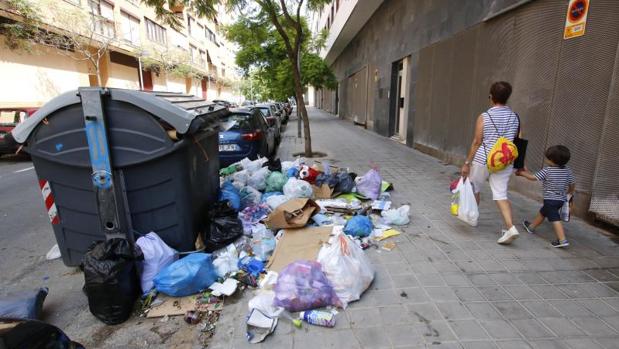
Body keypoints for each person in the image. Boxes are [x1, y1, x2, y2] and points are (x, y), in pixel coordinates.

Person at [461, 81, 521, 245]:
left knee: (474, 186)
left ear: (491, 97)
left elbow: (477, 141)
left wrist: (467, 162)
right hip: (504, 161)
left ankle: (472, 217)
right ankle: (510, 227)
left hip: (484, 159)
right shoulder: (515, 117)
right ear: (507, 98)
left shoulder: (484, 116)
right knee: (501, 194)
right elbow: (517, 139)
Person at [516, 145, 575, 248]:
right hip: (560, 199)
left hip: (550, 200)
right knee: (543, 212)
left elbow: (533, 178)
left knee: (555, 219)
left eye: (547, 158)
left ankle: (562, 240)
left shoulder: (548, 170)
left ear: (551, 160)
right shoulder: (568, 171)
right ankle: (531, 227)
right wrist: (570, 192)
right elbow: (572, 184)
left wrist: (522, 173)